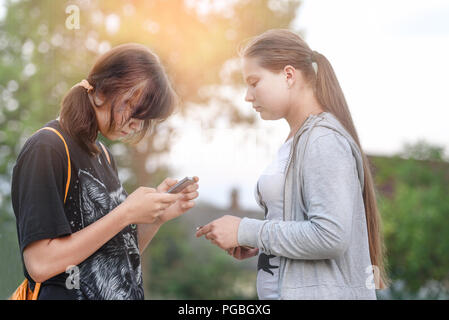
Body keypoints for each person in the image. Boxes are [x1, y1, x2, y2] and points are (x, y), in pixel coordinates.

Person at [196, 29, 389, 299]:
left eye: (254, 82)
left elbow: (330, 236)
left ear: (288, 75)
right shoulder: (297, 140)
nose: (248, 96)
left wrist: (247, 229)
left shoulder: (322, 141)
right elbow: (301, 227)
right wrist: (255, 242)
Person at [11, 43, 199, 300]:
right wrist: (125, 213)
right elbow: (40, 264)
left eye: (145, 118)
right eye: (134, 109)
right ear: (103, 89)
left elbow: (116, 258)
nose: (136, 125)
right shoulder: (48, 147)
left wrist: (155, 218)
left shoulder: (103, 155)